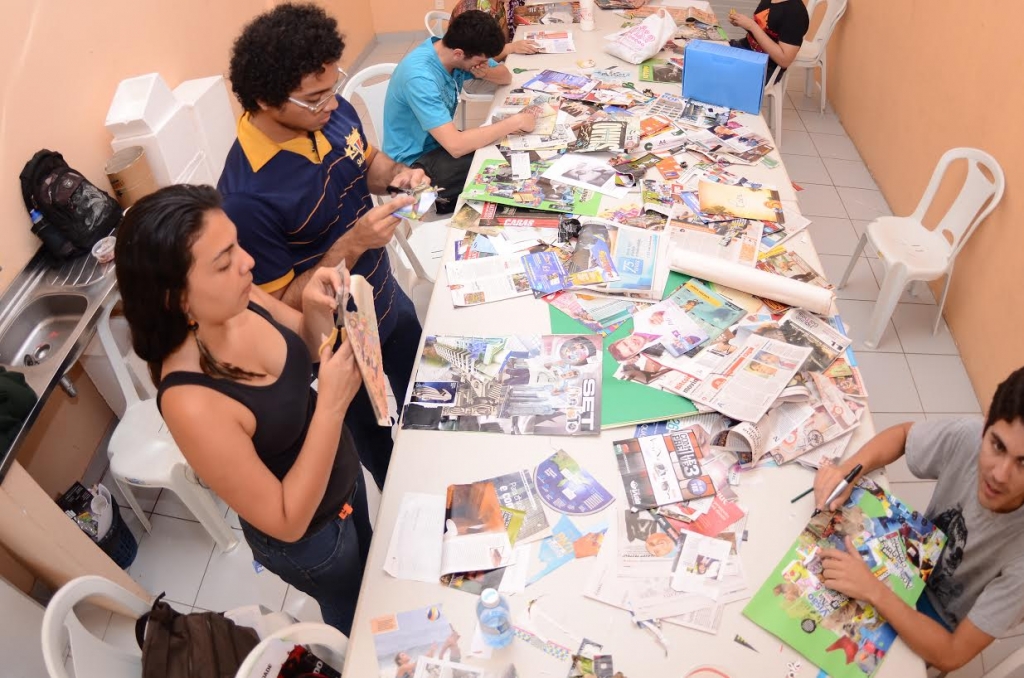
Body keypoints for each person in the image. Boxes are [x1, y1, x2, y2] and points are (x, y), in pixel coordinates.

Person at [114, 185, 370, 636]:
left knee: (373, 572)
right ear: (178, 299)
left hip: (344, 478)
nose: (248, 263)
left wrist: (314, 308)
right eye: (224, 261)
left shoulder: (239, 298)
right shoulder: (189, 401)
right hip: (312, 537)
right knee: (356, 614)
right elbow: (285, 520)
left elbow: (306, 347)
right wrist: (330, 407)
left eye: (236, 246)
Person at [219, 3, 425, 490]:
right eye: (315, 98)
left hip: (387, 297)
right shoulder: (246, 197)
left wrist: (398, 175)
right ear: (267, 102)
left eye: (334, 86)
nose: (332, 104)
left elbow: (367, 160)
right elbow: (283, 306)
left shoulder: (328, 112)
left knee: (428, 397)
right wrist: (352, 244)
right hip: (340, 344)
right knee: (382, 445)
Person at [813, 367, 1024, 673]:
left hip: (938, 623)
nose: (999, 474)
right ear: (986, 426)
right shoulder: (969, 437)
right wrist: (848, 471)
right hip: (907, 561)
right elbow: (902, 435)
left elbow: (951, 655)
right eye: (998, 446)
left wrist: (871, 589)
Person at [382, 10, 538, 212]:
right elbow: (455, 146)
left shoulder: (453, 51)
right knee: (508, 174)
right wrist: (515, 122)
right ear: (458, 54)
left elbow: (505, 77)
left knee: (509, 153)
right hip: (412, 168)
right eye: (478, 62)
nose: (481, 65)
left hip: (440, 144)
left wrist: (486, 72)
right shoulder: (420, 77)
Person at [728, 0, 810, 85]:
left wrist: (752, 26)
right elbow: (765, 31)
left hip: (765, 67)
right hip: (746, 49)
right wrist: (743, 23)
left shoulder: (795, 12)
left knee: (717, 70)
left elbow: (785, 60)